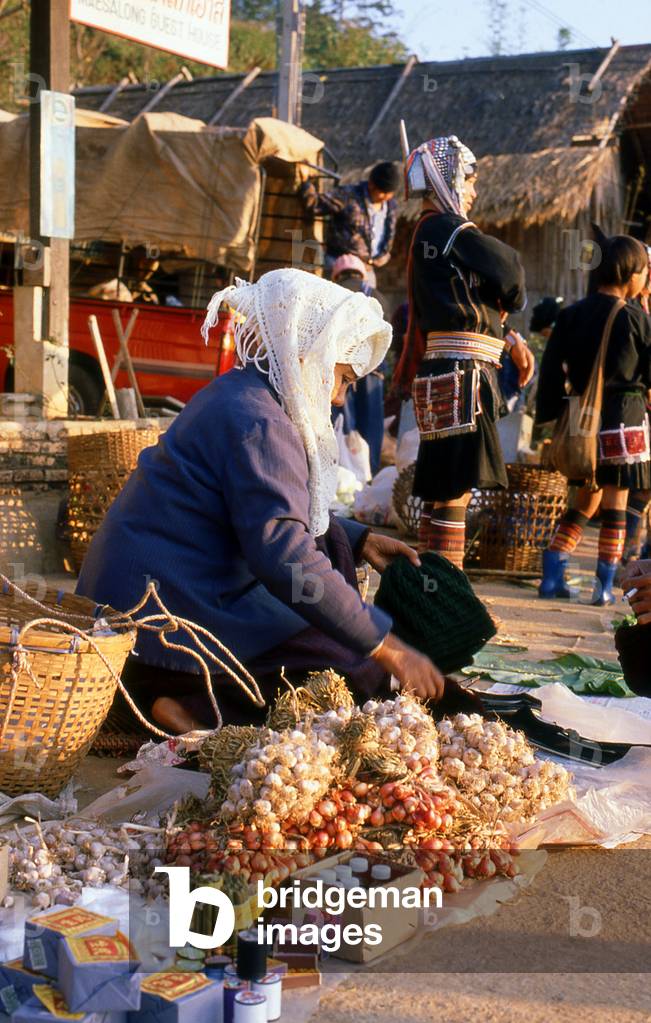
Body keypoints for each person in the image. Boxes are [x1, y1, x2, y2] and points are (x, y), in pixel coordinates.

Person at [76, 269, 445, 734]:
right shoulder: (261, 421)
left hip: (147, 609)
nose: (338, 397)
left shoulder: (243, 393)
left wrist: (360, 538)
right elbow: (284, 559)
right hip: (159, 629)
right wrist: (387, 646)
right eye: (341, 379)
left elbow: (270, 506)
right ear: (306, 356)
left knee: (332, 562)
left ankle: (191, 695)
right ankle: (201, 710)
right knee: (356, 673)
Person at [391, 134, 532, 567]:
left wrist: (508, 335)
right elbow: (510, 271)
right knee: (454, 489)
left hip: (448, 369)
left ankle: (434, 588)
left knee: (444, 486)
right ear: (446, 178)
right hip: (462, 373)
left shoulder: (432, 233)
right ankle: (445, 592)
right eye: (469, 180)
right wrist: (509, 304)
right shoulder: (448, 229)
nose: (473, 192)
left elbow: (482, 295)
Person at [536, 235, 651, 604]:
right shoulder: (636, 318)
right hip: (623, 418)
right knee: (616, 504)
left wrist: (552, 416)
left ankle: (552, 574)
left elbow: (551, 371)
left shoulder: (570, 315)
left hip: (582, 421)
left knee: (585, 500)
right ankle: (603, 587)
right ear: (632, 274)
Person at [331, 254, 388, 475]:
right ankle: (367, 475)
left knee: (342, 422)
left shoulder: (333, 291)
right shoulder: (379, 296)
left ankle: (341, 474)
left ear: (337, 275)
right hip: (373, 372)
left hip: (342, 366)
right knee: (371, 426)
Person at [299, 162, 400, 285]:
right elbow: (314, 205)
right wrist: (305, 183)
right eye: (383, 192)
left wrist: (381, 257)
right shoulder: (347, 196)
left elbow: (388, 234)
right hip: (341, 267)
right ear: (372, 185)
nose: (386, 196)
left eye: (389, 193)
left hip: (367, 270)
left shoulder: (391, 206)